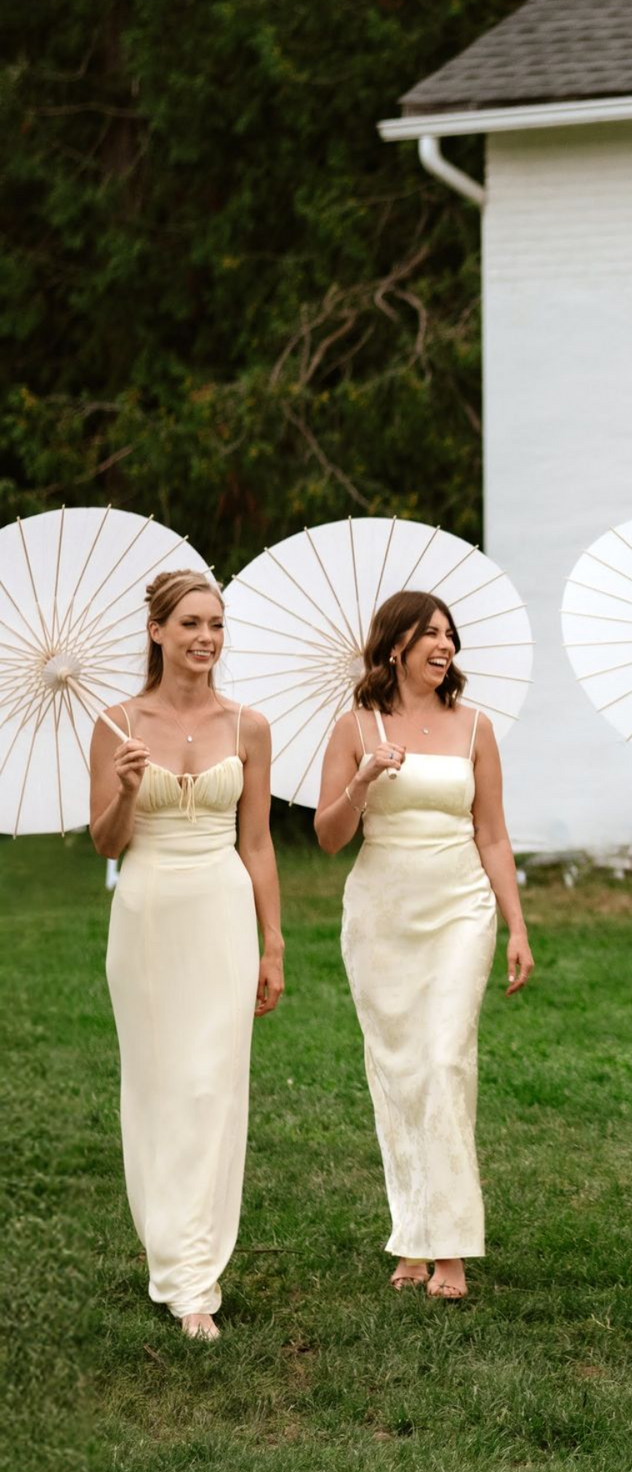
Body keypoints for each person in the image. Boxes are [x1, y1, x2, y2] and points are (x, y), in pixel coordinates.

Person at [316, 591, 532, 1301]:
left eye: (449, 635)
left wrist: (517, 925)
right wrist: (364, 777)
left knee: (444, 1061)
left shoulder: (476, 728)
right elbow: (328, 836)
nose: (445, 646)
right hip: (381, 912)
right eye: (429, 635)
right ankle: (412, 1236)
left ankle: (451, 1252)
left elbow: (493, 834)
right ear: (395, 648)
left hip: (460, 908)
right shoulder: (354, 726)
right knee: (398, 1072)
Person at [90, 570, 283, 1339]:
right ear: (158, 631)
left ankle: (194, 1275)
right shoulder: (114, 723)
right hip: (145, 917)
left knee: (212, 1087)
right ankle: (169, 1252)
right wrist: (128, 789)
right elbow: (107, 843)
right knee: (157, 1087)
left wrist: (273, 942)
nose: (207, 638)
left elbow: (260, 843)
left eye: (218, 625)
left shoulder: (250, 726)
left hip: (222, 912)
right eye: (192, 624)